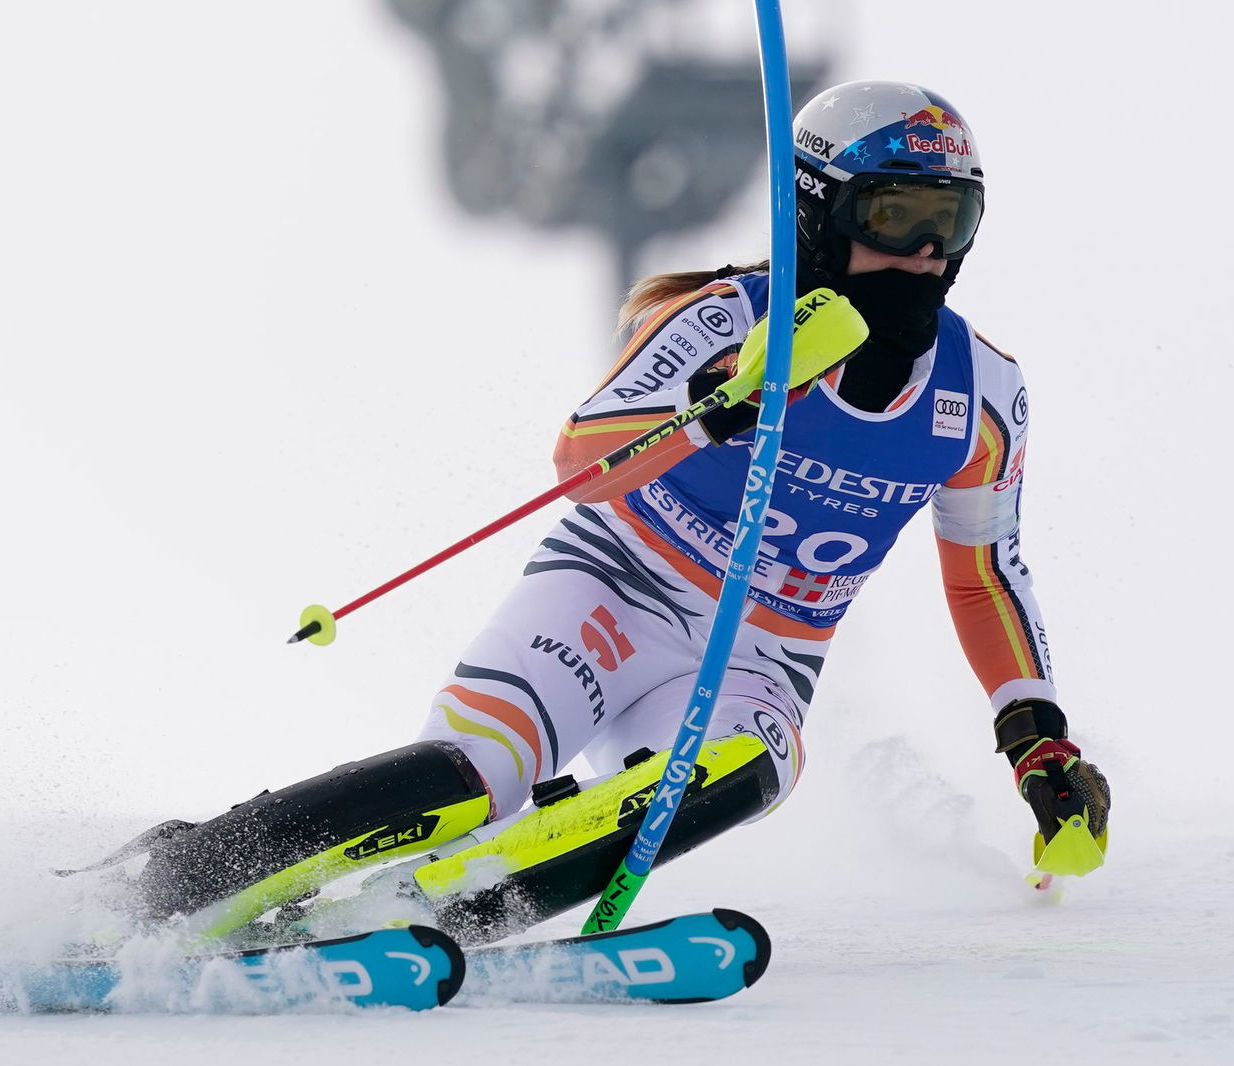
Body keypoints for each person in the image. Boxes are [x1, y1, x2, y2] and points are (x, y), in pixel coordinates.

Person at [97, 80, 1111, 946]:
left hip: (761, 653)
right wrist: (713, 410)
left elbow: (983, 572)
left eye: (953, 221)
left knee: (732, 770)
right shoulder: (730, 320)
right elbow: (580, 462)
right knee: (472, 778)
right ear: (822, 213)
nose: (928, 253)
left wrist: (1037, 737)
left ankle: (427, 915)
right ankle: (167, 883)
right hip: (611, 590)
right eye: (897, 218)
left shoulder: (981, 395)